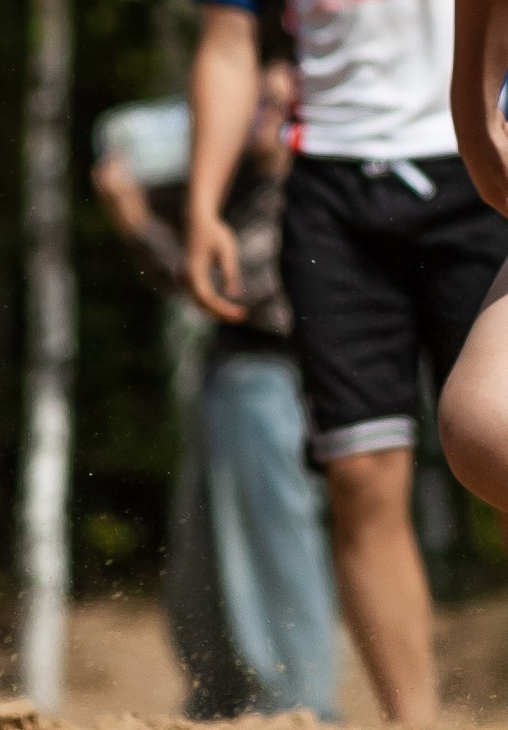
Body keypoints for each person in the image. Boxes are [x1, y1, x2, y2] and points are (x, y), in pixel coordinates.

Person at [191, 0, 483, 724]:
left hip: (480, 176)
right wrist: (206, 202)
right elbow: (223, 48)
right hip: (332, 194)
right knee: (363, 477)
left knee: (501, 457)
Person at [95, 74, 338, 719]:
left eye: (269, 101)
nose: (256, 111)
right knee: (202, 564)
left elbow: (232, 288)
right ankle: (220, 704)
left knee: (272, 552)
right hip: (228, 378)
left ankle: (299, 707)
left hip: (274, 378)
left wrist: (140, 223)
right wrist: (144, 219)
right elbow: (184, 279)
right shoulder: (235, 187)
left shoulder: (304, 188)